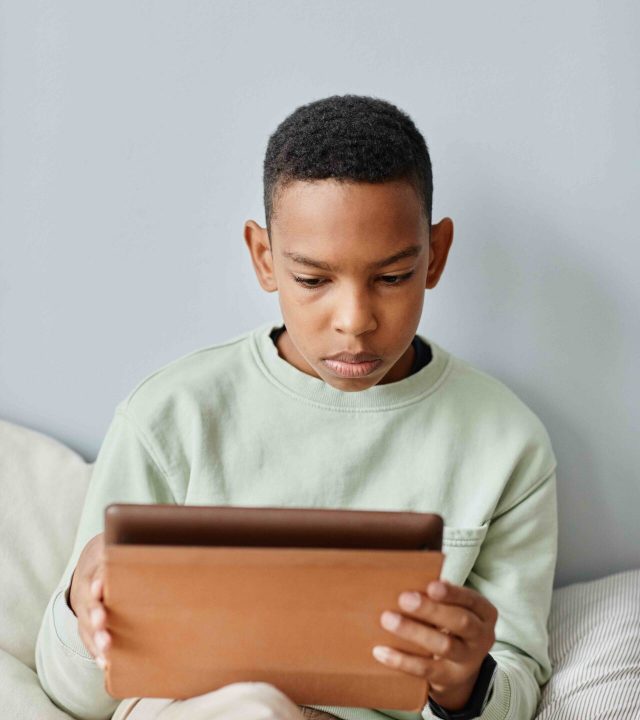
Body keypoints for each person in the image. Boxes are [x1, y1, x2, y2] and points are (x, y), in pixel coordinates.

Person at [35, 94, 558, 720]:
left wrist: (465, 684)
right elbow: (76, 698)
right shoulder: (171, 417)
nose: (355, 322)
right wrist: (78, 602)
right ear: (265, 259)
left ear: (436, 256)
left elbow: (519, 685)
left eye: (392, 277)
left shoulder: (505, 442)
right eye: (313, 280)